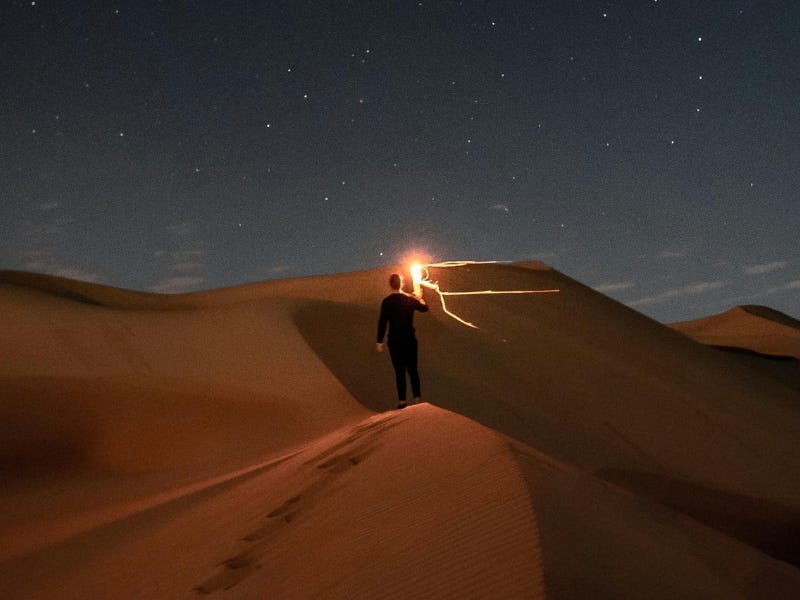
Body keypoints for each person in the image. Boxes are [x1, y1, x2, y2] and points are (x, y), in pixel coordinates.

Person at [376, 272, 428, 409]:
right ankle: (417, 399)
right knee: (413, 370)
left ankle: (402, 401)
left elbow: (382, 322)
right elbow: (424, 309)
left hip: (394, 341)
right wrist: (419, 298)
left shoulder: (387, 302)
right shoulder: (409, 299)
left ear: (390, 285)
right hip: (410, 340)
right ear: (401, 284)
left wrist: (379, 341)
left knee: (399, 371)